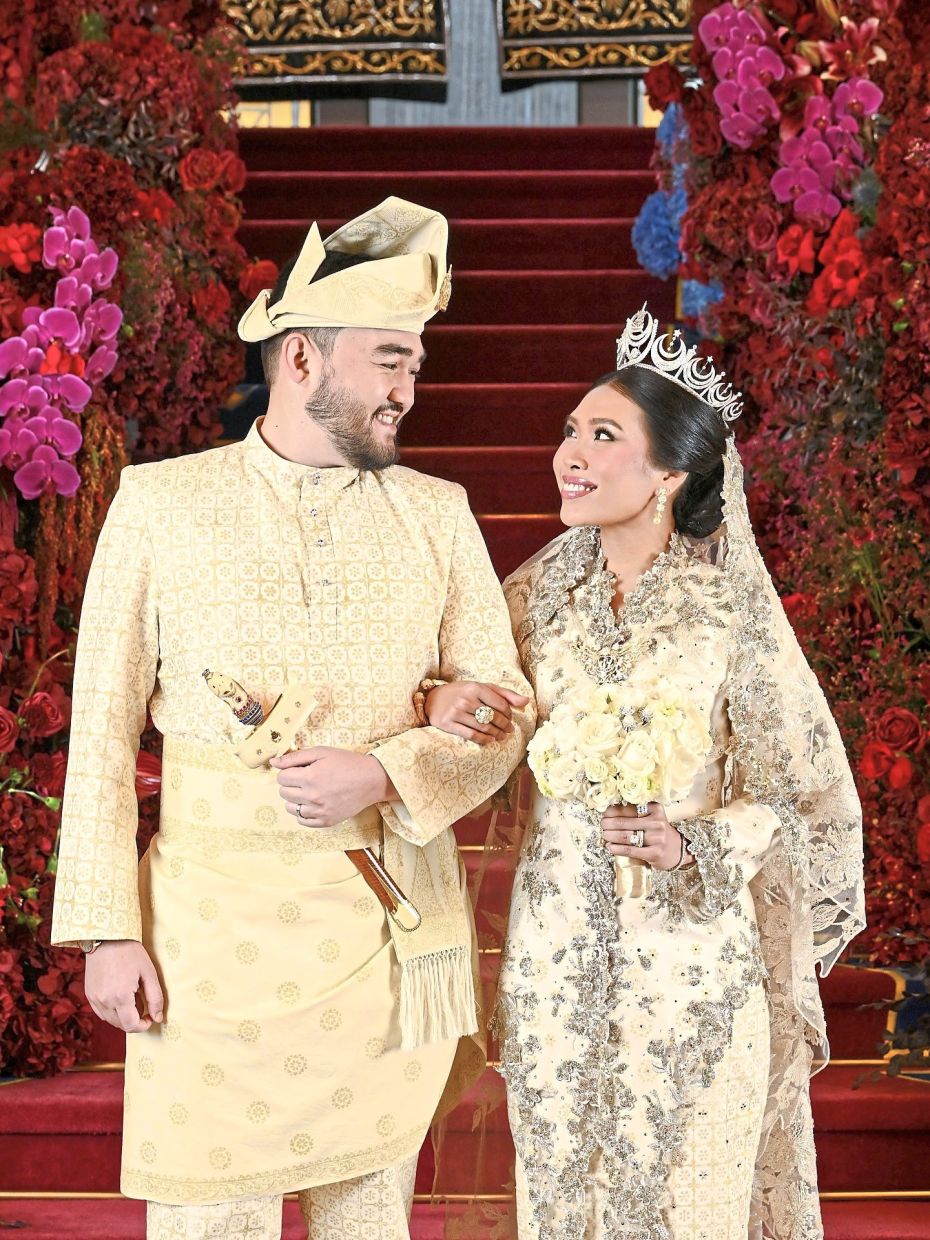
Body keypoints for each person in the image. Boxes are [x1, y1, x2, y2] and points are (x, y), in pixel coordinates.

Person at [51, 196, 534, 1240]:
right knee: (207, 1217)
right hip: (205, 936)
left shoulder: (437, 515)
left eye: (416, 363)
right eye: (389, 360)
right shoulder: (159, 503)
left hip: (379, 921)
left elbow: (504, 712)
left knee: (368, 1215)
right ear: (303, 361)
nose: (409, 388)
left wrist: (389, 771)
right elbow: (99, 729)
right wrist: (104, 929)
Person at [424, 306, 864, 1240]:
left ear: (670, 471)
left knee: (687, 1203)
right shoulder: (534, 597)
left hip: (692, 967)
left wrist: (694, 839)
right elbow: (472, 712)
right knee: (559, 1199)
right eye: (570, 431)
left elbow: (803, 789)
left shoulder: (729, 612)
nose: (567, 453)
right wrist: (440, 704)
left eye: (601, 435)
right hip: (553, 961)